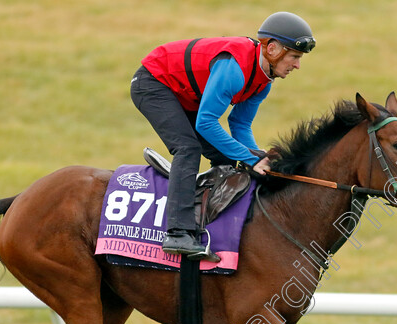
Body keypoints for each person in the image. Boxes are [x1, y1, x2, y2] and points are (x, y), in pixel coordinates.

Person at [131, 12, 316, 257]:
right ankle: (177, 233)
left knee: (228, 156)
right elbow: (206, 123)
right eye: (294, 56)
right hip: (153, 83)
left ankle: (211, 222)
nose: (297, 65)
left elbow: (239, 125)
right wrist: (252, 159)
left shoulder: (264, 81)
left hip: (185, 95)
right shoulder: (234, 70)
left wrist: (257, 157)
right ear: (272, 49)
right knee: (188, 148)